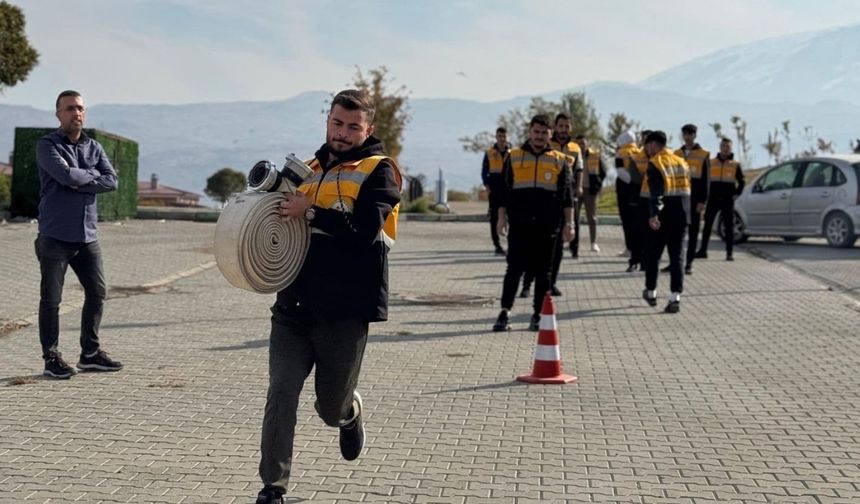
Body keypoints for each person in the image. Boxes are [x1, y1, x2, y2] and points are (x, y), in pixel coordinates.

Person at [256, 89, 402, 504]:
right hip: (293, 306)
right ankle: (273, 487)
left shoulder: (380, 172)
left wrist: (312, 211)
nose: (343, 133)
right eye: (337, 124)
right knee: (281, 393)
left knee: (328, 407)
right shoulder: (310, 168)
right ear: (328, 123)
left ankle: (348, 413)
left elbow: (361, 234)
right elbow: (279, 219)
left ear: (368, 129)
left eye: (353, 127)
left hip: (344, 312)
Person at [34, 90, 121, 379]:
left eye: (80, 108)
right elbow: (66, 177)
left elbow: (112, 181)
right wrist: (86, 178)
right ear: (58, 114)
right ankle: (51, 357)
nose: (76, 113)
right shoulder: (48, 145)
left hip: (87, 237)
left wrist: (79, 179)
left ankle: (90, 353)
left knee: (97, 293)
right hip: (54, 236)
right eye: (70, 108)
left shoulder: (94, 147)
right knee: (51, 300)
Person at [493, 115, 574, 332]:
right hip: (520, 224)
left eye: (544, 133)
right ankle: (505, 312)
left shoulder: (559, 160)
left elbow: (567, 197)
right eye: (536, 132)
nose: (539, 137)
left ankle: (537, 314)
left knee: (543, 272)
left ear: (550, 135)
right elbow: (503, 192)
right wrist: (501, 218)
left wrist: (570, 224)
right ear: (530, 132)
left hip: (548, 226)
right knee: (514, 268)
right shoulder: (514, 156)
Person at [641, 131, 691, 314]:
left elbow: (656, 192)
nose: (647, 149)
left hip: (664, 216)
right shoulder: (681, 161)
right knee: (677, 257)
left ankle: (651, 292)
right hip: (683, 215)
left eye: (648, 146)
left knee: (654, 254)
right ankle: (675, 297)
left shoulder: (656, 163)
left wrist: (654, 214)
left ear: (654, 144)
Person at [697, 137, 745, 261]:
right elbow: (704, 180)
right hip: (713, 198)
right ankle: (703, 251)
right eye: (723, 146)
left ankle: (729, 253)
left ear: (731, 148)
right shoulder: (711, 163)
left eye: (728, 147)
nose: (725, 149)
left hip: (727, 199)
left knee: (729, 226)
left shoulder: (735, 165)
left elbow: (742, 181)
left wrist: (736, 193)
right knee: (707, 224)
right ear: (720, 147)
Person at [673, 124, 710, 275]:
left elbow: (706, 180)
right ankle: (675, 262)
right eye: (685, 134)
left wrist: (703, 201)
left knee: (693, 231)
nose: (687, 137)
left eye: (690, 134)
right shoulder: (676, 153)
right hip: (679, 198)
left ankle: (688, 263)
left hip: (695, 199)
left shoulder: (703, 154)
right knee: (676, 231)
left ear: (695, 135)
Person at [549, 114, 584, 260]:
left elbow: (580, 168)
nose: (564, 129)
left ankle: (574, 248)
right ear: (556, 127)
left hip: (570, 189)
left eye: (567, 126)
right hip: (551, 189)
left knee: (573, 218)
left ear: (571, 128)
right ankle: (554, 246)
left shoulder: (575, 147)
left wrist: (579, 186)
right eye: (561, 126)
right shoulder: (548, 144)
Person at [573, 134, 607, 253]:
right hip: (576, 190)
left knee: (591, 217)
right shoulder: (573, 155)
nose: (581, 145)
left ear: (587, 143)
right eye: (578, 143)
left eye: (583, 143)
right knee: (574, 217)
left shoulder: (594, 155)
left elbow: (603, 172)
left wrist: (596, 186)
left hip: (590, 191)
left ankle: (593, 242)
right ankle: (574, 242)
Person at [481, 127, 511, 255]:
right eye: (499, 136)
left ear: (507, 137)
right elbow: (484, 171)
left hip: (509, 189)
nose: (501, 139)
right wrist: (487, 185)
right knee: (494, 217)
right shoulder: (489, 153)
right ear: (496, 137)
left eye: (503, 136)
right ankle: (497, 245)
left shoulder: (513, 152)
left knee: (511, 216)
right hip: (494, 189)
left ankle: (512, 243)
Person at [614, 130, 641, 269]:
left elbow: (619, 171)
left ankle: (629, 248)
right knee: (635, 220)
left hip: (624, 188)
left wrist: (630, 181)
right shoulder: (639, 152)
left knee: (626, 220)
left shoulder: (620, 153)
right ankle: (636, 248)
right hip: (637, 189)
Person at [629, 129, 653, 273]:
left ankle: (647, 262)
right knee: (636, 232)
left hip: (654, 199)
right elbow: (635, 178)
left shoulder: (659, 158)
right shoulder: (635, 157)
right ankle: (634, 261)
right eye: (645, 140)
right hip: (638, 199)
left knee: (651, 233)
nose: (647, 144)